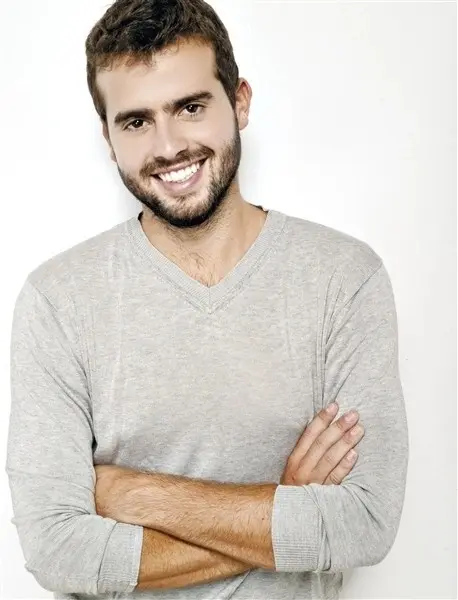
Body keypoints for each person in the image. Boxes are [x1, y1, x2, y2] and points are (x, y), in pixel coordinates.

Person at [5, 0, 409, 598]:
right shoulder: (57, 301)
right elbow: (58, 551)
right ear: (108, 138)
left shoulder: (343, 279)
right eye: (136, 122)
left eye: (190, 108)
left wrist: (135, 494)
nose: (169, 146)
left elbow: (364, 523)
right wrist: (286, 506)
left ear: (239, 102)